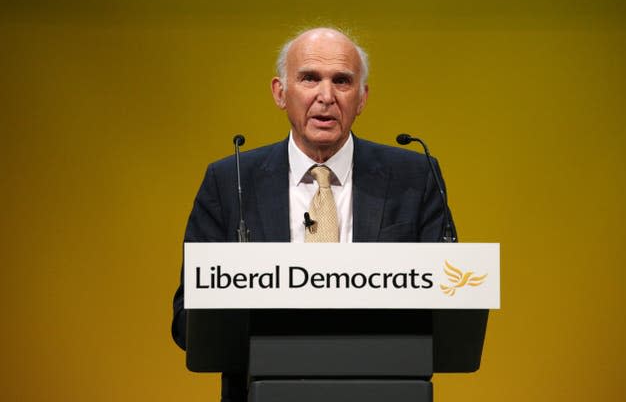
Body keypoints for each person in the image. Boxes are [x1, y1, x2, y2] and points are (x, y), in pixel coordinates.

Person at [171, 27, 456, 402]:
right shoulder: (230, 180)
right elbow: (187, 320)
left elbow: (452, 310)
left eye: (342, 81)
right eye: (309, 78)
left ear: (362, 98)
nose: (326, 96)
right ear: (280, 92)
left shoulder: (415, 177)